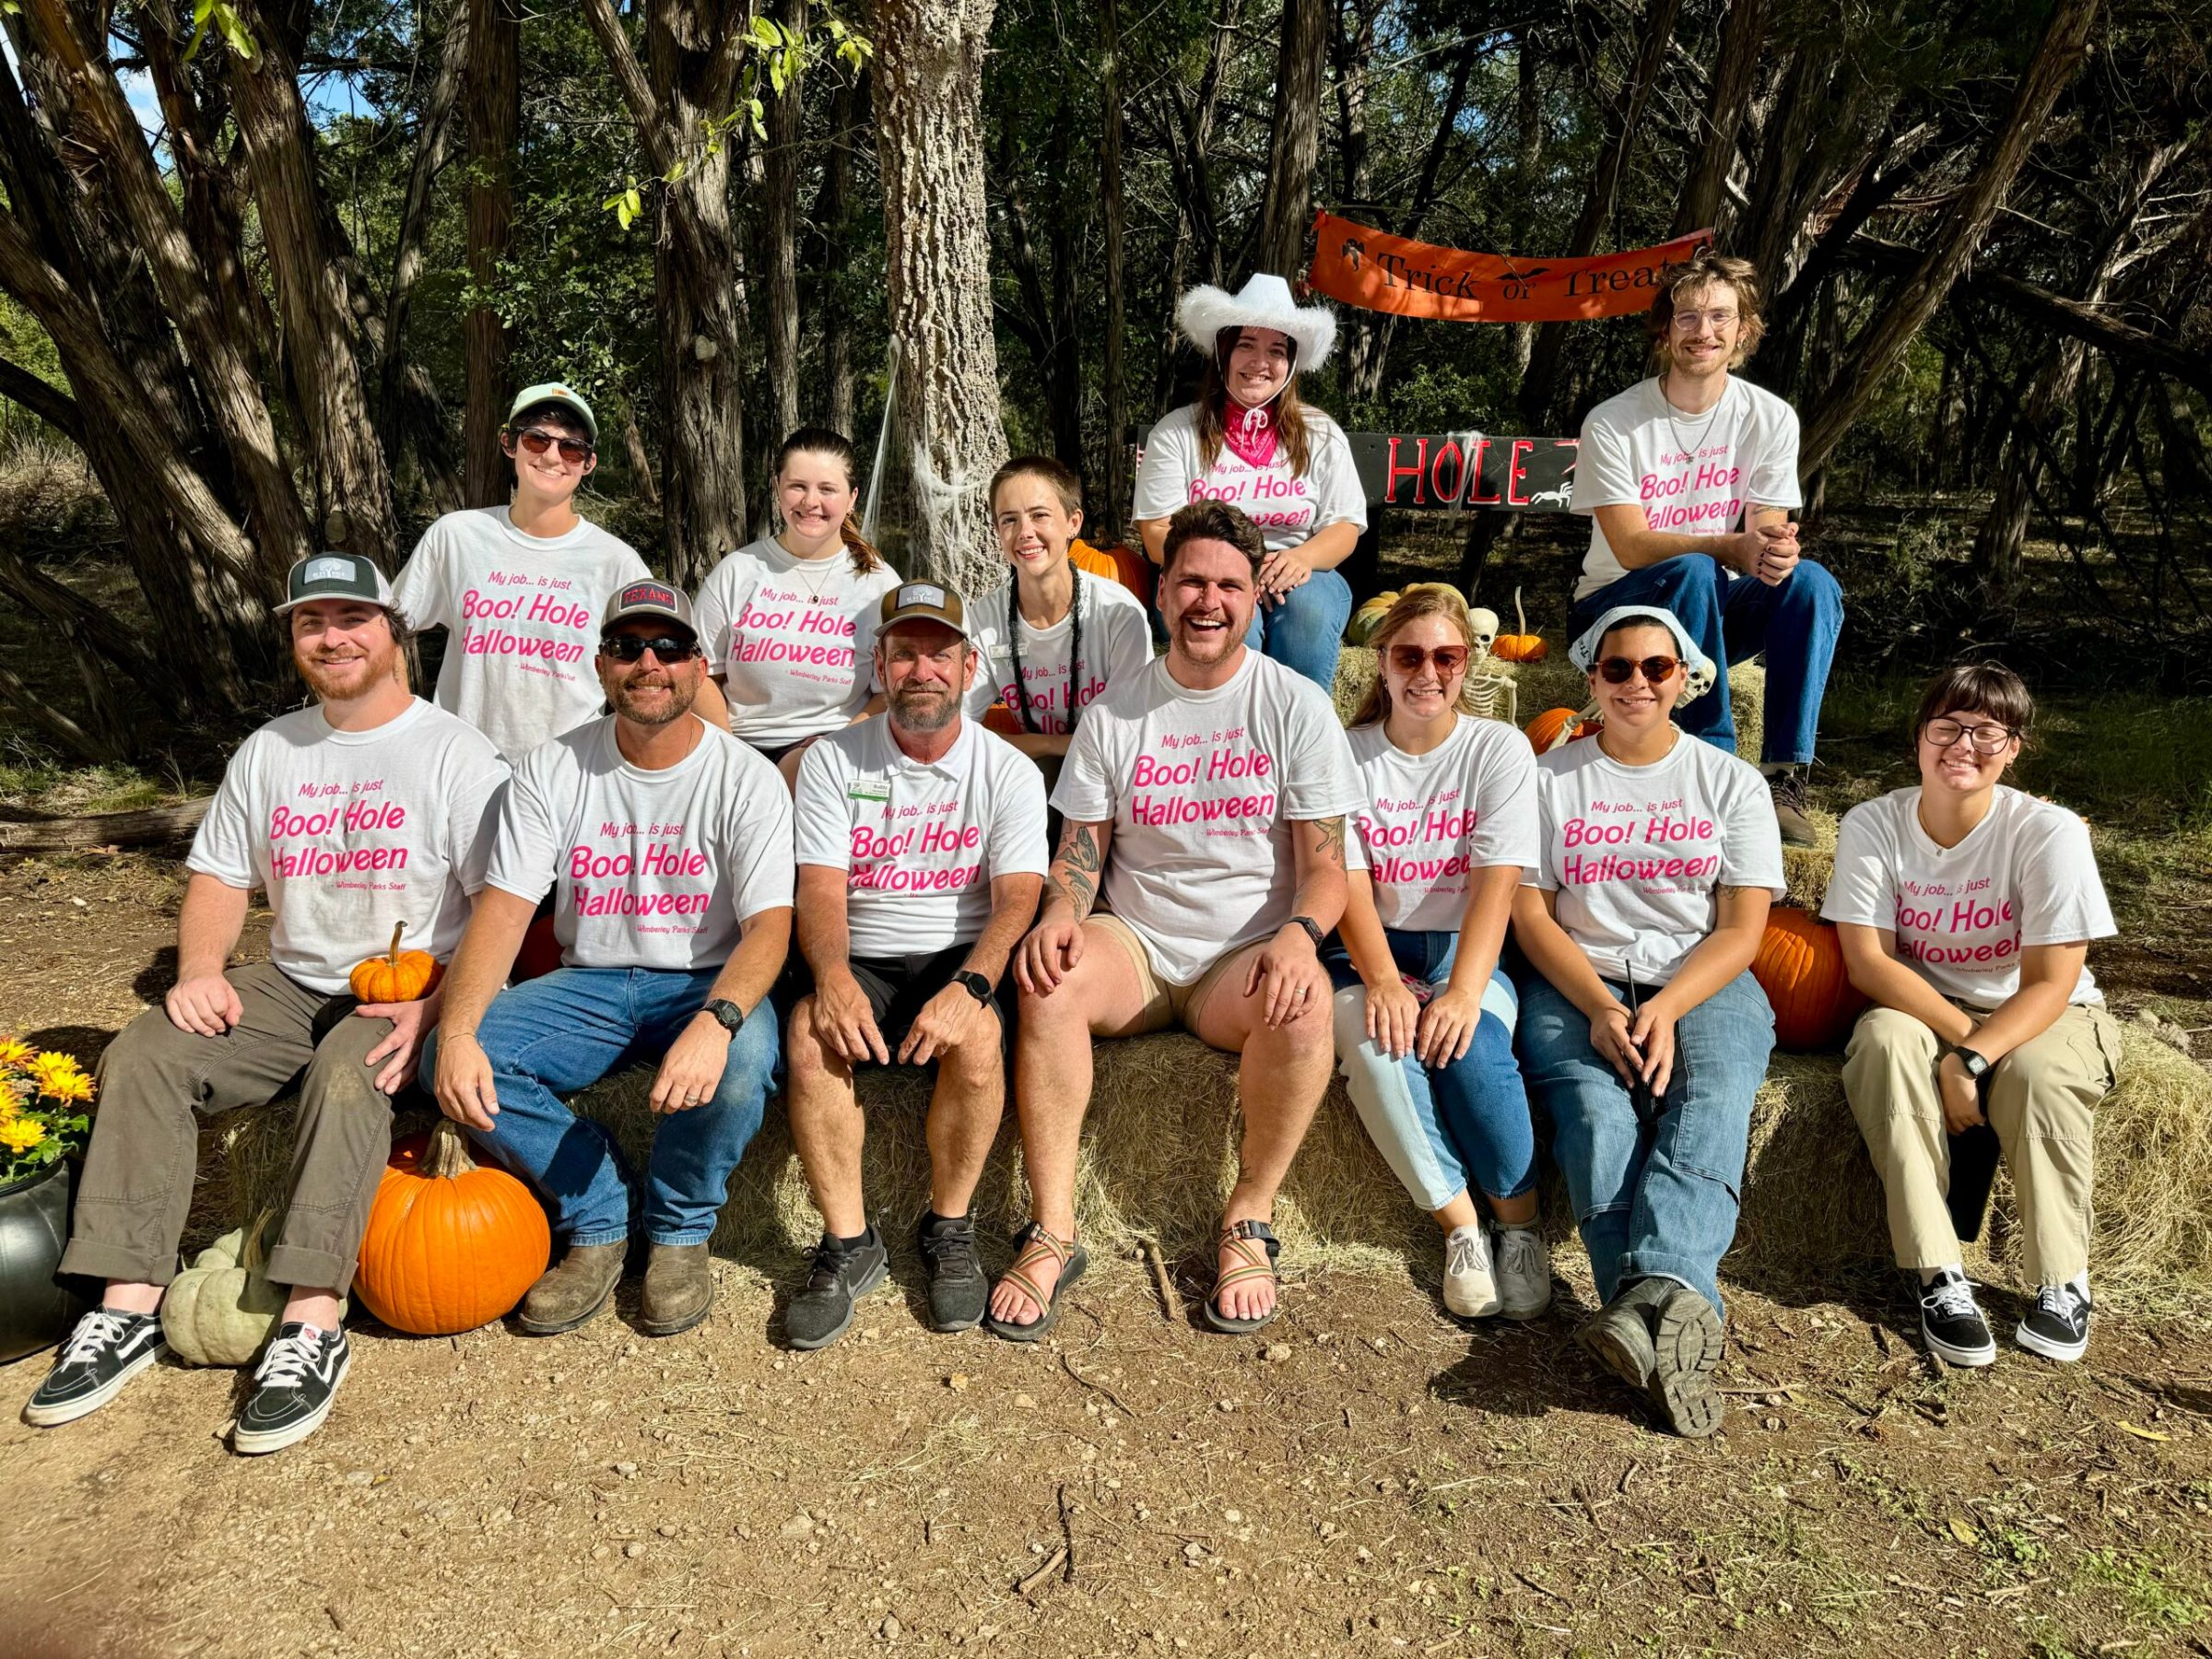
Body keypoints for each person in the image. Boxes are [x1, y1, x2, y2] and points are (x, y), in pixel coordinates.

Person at [25, 554, 507, 1453]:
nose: (332, 637)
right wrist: (200, 969)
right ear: (294, 640)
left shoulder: (454, 753)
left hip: (408, 989)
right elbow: (216, 875)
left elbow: (501, 904)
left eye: (351, 618)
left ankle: (312, 1323)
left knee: (349, 1076)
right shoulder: (271, 750)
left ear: (392, 630)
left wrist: (445, 1006)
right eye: (311, 623)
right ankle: (127, 1303)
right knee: (145, 1054)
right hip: (289, 983)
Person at [991, 500, 1362, 1340]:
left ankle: (1247, 1218)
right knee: (1045, 983)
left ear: (1252, 598)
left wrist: (1302, 939)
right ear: (1162, 594)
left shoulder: (1296, 707)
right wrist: (1058, 913)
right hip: (1140, 943)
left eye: (1229, 584)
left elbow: (1327, 870)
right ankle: (1054, 1228)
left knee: (1303, 1007)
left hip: (1244, 953)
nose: (1209, 600)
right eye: (1191, 580)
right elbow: (1081, 855)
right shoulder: (1118, 712)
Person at [426, 581, 792, 1339]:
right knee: (453, 1059)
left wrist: (718, 1022)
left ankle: (680, 1231)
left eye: (669, 647)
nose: (648, 662)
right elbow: (503, 911)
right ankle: (597, 1215)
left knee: (742, 1059)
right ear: (601, 666)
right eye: (628, 647)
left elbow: (768, 930)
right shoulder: (551, 768)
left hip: (704, 980)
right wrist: (458, 1033)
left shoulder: (744, 776)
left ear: (699, 665)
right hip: (587, 983)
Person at [1512, 606, 1783, 1438]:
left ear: (1686, 681)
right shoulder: (1549, 780)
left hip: (1699, 976)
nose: (1637, 683)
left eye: (1656, 669)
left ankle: (1645, 1307)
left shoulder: (1730, 783)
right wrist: (1599, 1006)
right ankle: (1675, 1320)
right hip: (1578, 977)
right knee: (1594, 1112)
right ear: (1590, 680)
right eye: (1619, 669)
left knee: (1715, 1093)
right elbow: (1531, 915)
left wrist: (1665, 1007)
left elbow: (1743, 928)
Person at [1824, 664, 2119, 1367]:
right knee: (1886, 1044)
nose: (1964, 744)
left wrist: (1977, 1058)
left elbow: (2052, 981)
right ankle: (1939, 1274)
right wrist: (1965, 1048)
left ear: (2015, 747)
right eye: (1947, 726)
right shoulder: (1874, 824)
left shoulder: (2049, 833)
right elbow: (1870, 965)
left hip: (2044, 1009)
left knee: (2042, 1077)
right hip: (1923, 1007)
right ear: (1919, 738)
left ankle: (2062, 1280)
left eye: (1988, 731)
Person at [781, 583, 1049, 1349]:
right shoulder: (833, 761)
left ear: (971, 668)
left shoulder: (1007, 771)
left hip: (956, 952)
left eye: (939, 654)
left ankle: (951, 1226)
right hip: (860, 952)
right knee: (807, 1036)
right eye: (904, 654)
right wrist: (830, 978)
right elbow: (820, 891)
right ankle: (849, 1243)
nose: (921, 670)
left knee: (978, 1040)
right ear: (879, 666)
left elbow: (1017, 897)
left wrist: (972, 987)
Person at [1565, 253, 1842, 847]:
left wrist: (1776, 550)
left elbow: (1763, 535)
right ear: (1664, 328)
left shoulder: (1770, 418)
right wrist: (1727, 547)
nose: (1704, 332)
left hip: (1711, 604)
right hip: (1613, 610)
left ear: (1744, 329)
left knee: (1812, 583)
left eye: (1720, 317)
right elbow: (1631, 544)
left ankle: (1783, 776)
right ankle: (1713, 761)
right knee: (1692, 568)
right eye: (1687, 317)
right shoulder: (1613, 422)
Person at [1330, 586, 1550, 1321]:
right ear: (1382, 665)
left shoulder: (1499, 749)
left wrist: (1461, 990)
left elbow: (1498, 884)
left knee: (1475, 1048)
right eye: (1409, 656)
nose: (1428, 671)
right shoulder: (1345, 753)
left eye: (1446, 656)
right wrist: (1384, 980)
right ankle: (1461, 1231)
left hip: (1465, 942)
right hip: (1372, 944)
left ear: (1469, 663)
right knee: (1376, 1044)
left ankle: (1519, 1228)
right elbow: (1347, 882)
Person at [1131, 274, 1367, 695]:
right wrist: (1229, 569)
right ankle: (1226, 733)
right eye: (1246, 346)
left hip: (1297, 567)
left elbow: (1346, 527)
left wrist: (1303, 558)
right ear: (1223, 353)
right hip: (1206, 568)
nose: (1260, 362)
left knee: (1307, 614)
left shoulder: (1321, 433)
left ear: (1291, 363)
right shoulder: (1175, 433)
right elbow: (1155, 534)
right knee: (1229, 615)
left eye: (1276, 350)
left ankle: (1305, 731)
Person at [394, 382, 653, 761]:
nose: (552, 457)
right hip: (461, 767)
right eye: (536, 440)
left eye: (570, 447)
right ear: (509, 444)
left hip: (570, 772)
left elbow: (653, 665)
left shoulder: (616, 562)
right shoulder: (456, 536)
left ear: (588, 463)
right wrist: (405, 722)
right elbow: (386, 632)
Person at [691, 428, 902, 787]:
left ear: (852, 498)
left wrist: (838, 746)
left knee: (809, 770)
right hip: (740, 750)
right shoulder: (738, 572)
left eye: (827, 489)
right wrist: (730, 755)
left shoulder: (879, 585)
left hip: (838, 751)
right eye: (798, 486)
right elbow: (700, 674)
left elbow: (888, 695)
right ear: (777, 488)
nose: (810, 501)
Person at [968, 455, 1154, 794]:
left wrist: (1049, 747)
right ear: (997, 531)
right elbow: (958, 730)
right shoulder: (984, 619)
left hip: (1115, 770)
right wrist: (1052, 745)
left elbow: (1129, 732)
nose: (1025, 533)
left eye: (1040, 515)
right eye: (1009, 520)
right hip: (1032, 768)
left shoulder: (1117, 613)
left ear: (1073, 522)